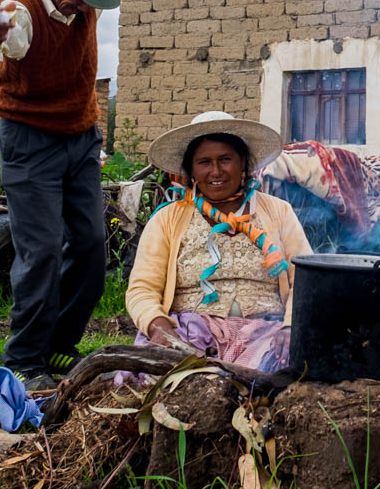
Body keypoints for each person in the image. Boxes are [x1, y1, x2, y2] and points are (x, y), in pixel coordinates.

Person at [0, 0, 217, 392]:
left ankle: (59, 344)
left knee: (93, 244)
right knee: (42, 248)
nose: (85, 10)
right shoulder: (18, 7)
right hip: (29, 138)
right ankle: (25, 357)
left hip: (79, 133)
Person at [124, 112, 313, 374]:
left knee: (277, 378)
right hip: (188, 331)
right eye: (204, 162)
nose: (216, 171)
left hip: (265, 333)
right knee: (165, 383)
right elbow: (142, 289)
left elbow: (304, 279)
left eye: (225, 159)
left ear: (243, 163)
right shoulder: (168, 219)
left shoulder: (278, 212)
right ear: (191, 170)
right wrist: (159, 327)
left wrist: (290, 327)